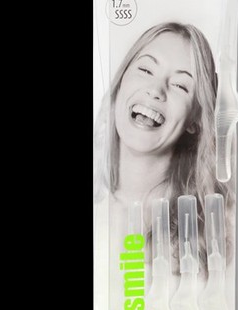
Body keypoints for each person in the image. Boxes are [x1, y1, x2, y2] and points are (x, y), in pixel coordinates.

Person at [94, 22, 230, 271]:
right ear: (120, 82)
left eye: (180, 85)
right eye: (146, 69)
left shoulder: (218, 229)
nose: (156, 91)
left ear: (195, 120)